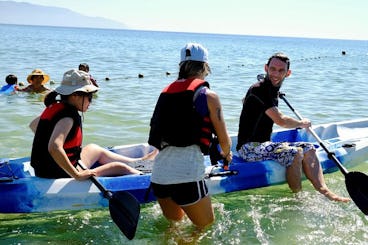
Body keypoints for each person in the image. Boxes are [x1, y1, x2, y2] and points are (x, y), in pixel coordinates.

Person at [236, 52, 350, 202]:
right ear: (266, 68)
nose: (276, 73)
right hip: (248, 148)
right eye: (272, 69)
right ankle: (298, 198)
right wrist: (301, 124)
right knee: (294, 152)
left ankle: (325, 191)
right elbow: (281, 120)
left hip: (264, 144)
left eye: (281, 70)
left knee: (309, 148)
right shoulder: (259, 89)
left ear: (288, 73)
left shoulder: (271, 91)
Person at [148, 43, 232, 229]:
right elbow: (224, 140)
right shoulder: (209, 95)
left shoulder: (166, 92)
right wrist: (227, 154)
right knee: (205, 226)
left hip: (160, 177)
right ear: (205, 67)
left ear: (181, 66)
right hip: (186, 176)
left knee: (174, 227)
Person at [29, 69, 156, 180]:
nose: (91, 101)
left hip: (45, 169)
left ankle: (139, 162)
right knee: (119, 167)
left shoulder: (56, 107)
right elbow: (54, 148)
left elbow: (34, 125)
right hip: (59, 173)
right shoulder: (67, 118)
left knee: (94, 148)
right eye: (89, 96)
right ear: (75, 96)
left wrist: (63, 144)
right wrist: (77, 176)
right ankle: (148, 180)